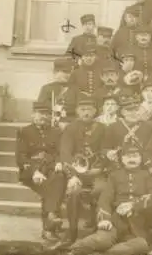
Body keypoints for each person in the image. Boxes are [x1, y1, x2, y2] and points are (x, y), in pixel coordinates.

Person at [66, 141, 152, 255]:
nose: (131, 159)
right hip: (115, 222)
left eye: (135, 156)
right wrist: (105, 219)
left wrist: (133, 205)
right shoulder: (114, 176)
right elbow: (105, 199)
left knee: (136, 246)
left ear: (140, 159)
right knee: (100, 240)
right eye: (127, 156)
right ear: (122, 159)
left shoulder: (148, 176)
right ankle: (72, 251)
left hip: (139, 227)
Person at [57, 98, 106, 246]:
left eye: (89, 109)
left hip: (97, 171)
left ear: (95, 111)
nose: (86, 112)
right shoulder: (70, 128)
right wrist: (72, 175)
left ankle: (98, 230)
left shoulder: (103, 128)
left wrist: (100, 168)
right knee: (73, 192)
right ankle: (72, 232)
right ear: (78, 111)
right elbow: (65, 153)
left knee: (100, 190)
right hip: (76, 172)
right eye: (83, 109)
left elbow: (105, 150)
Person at [15, 102, 66, 241]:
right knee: (50, 185)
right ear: (33, 115)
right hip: (31, 169)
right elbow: (21, 156)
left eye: (47, 114)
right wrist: (34, 172)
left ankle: (50, 219)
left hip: (51, 167)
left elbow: (61, 151)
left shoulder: (56, 131)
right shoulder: (23, 131)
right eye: (40, 113)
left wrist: (59, 162)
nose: (44, 117)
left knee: (60, 177)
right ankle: (50, 223)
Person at [37, 57, 76, 128]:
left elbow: (79, 111)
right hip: (51, 126)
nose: (68, 75)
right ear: (55, 72)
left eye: (69, 72)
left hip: (71, 127)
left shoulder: (75, 89)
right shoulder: (46, 89)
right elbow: (40, 111)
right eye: (64, 72)